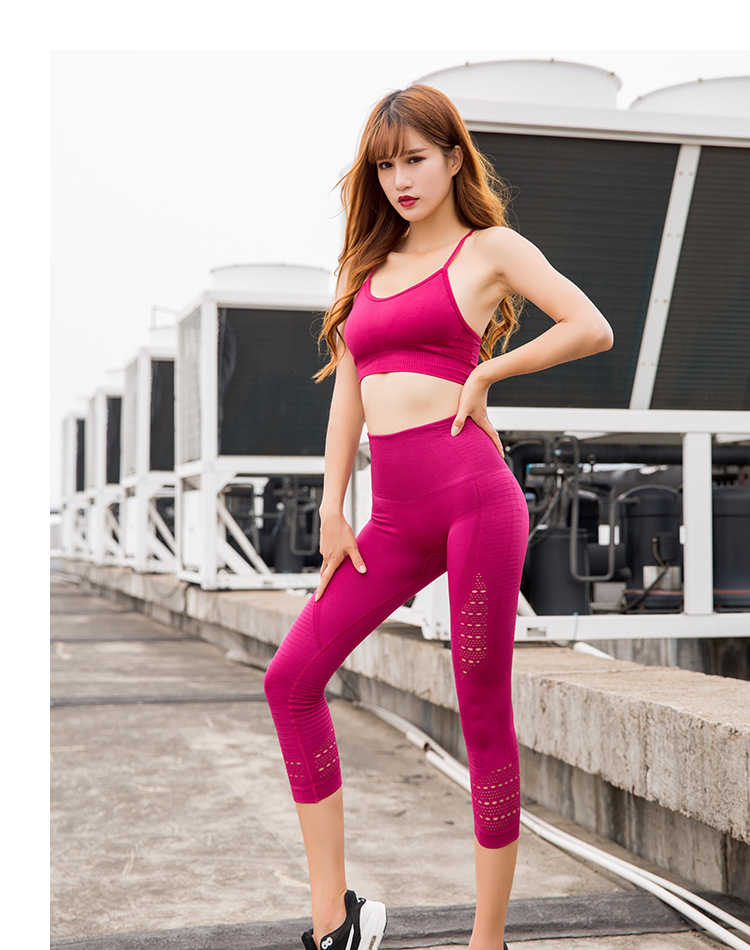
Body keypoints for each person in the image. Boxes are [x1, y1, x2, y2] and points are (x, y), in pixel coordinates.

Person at [264, 83, 613, 950]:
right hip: (390, 517)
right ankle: (334, 920)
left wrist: (489, 372)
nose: (400, 181)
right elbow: (349, 390)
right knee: (291, 682)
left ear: (454, 158)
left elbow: (591, 326)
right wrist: (333, 507)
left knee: (481, 710)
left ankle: (486, 940)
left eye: (415, 160)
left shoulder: (489, 248)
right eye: (385, 166)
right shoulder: (367, 269)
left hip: (475, 501)